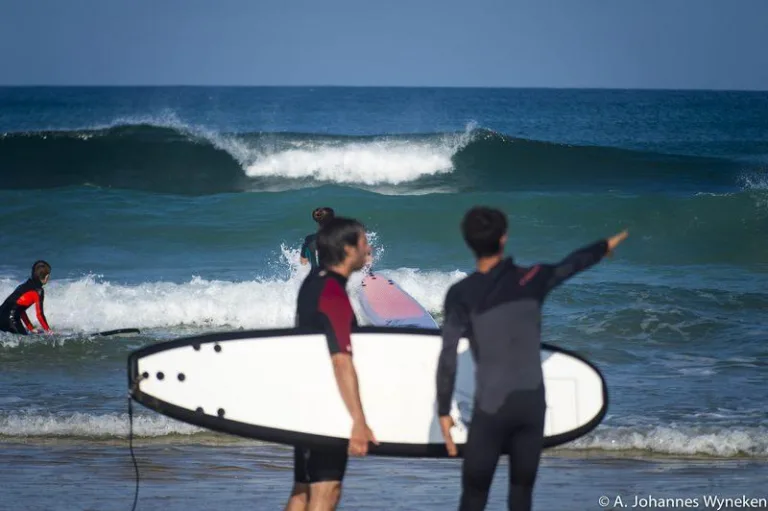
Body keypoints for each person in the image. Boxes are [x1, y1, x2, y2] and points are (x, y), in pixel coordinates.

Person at [436, 207, 628, 511]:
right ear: (504, 238)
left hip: (491, 409)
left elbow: (448, 354)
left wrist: (444, 410)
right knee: (521, 494)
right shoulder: (533, 278)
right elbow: (571, 265)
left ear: (467, 241)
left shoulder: (461, 293)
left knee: (474, 496)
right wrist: (603, 247)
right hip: (530, 407)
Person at [285, 217, 379, 511]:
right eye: (364, 242)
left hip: (306, 400)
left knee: (303, 491)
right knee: (327, 491)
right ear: (348, 249)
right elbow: (341, 360)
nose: (369, 248)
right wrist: (359, 422)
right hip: (326, 406)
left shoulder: (313, 283)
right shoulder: (333, 294)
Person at [0, 260, 52, 335]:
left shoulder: (23, 286)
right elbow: (39, 315)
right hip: (11, 319)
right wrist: (49, 331)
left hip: (1, 312)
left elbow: (19, 308)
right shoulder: (38, 291)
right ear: (47, 277)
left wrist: (30, 328)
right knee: (24, 342)